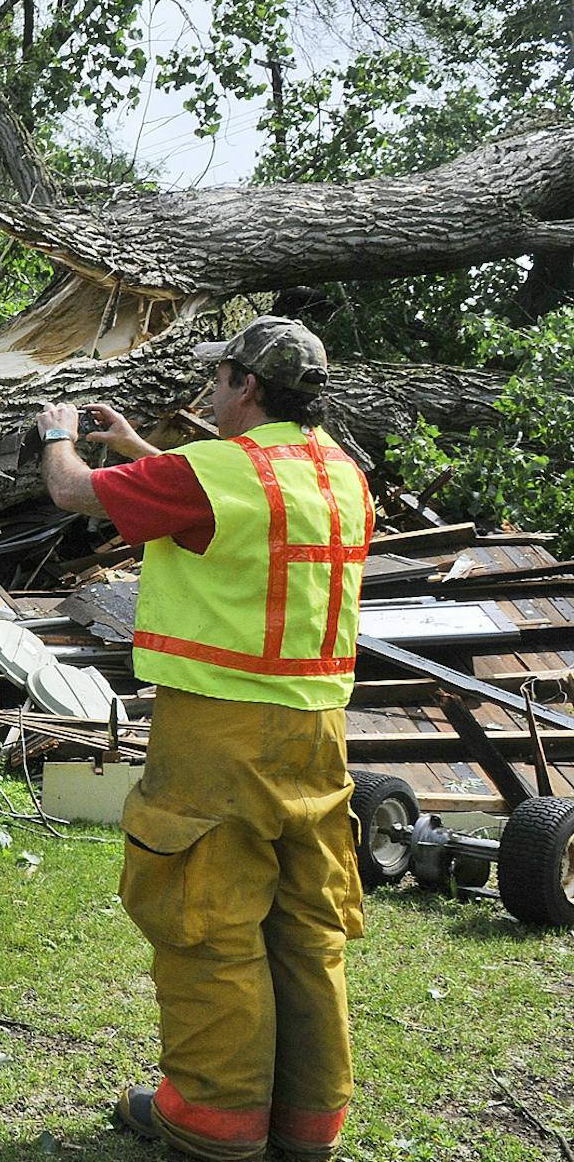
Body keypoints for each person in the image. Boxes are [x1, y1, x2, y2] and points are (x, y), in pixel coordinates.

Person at [34, 316, 372, 1162]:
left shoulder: (213, 472)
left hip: (221, 733)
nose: (211, 392)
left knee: (208, 919)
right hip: (320, 735)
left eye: (219, 379)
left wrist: (57, 433)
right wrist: (141, 448)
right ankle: (307, 1123)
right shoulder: (338, 475)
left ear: (245, 385)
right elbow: (235, 513)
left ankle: (212, 1120)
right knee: (306, 927)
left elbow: (72, 491)